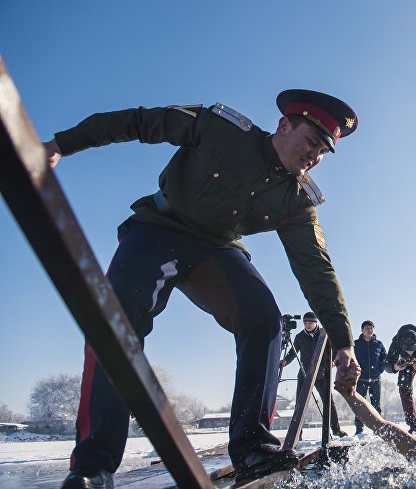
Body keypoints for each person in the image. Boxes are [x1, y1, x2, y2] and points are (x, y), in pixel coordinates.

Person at [47, 90, 363, 488]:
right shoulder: (220, 129)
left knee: (264, 320)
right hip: (158, 229)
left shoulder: (297, 200)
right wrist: (62, 144)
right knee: (115, 320)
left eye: (323, 152)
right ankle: (93, 465)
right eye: (312, 142)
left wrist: (344, 341)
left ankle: (253, 449)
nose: (314, 156)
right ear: (284, 126)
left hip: (217, 249)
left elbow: (317, 270)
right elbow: (139, 121)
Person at [281, 311, 347, 437]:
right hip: (304, 374)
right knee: (299, 405)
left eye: (310, 322)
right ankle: (297, 433)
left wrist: (333, 361)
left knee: (328, 403)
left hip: (321, 374)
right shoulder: (300, 337)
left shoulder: (324, 334)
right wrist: (285, 362)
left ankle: (336, 429)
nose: (307, 325)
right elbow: (292, 353)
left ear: (315, 323)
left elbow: (334, 350)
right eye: (305, 323)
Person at [352, 320, 387, 435]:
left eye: (371, 328)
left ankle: (378, 430)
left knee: (376, 405)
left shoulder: (379, 344)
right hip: (360, 380)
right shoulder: (355, 344)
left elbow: (384, 359)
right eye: (367, 328)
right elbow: (351, 359)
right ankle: (359, 430)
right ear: (362, 330)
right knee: (359, 406)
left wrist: (379, 370)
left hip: (375, 380)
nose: (369, 329)